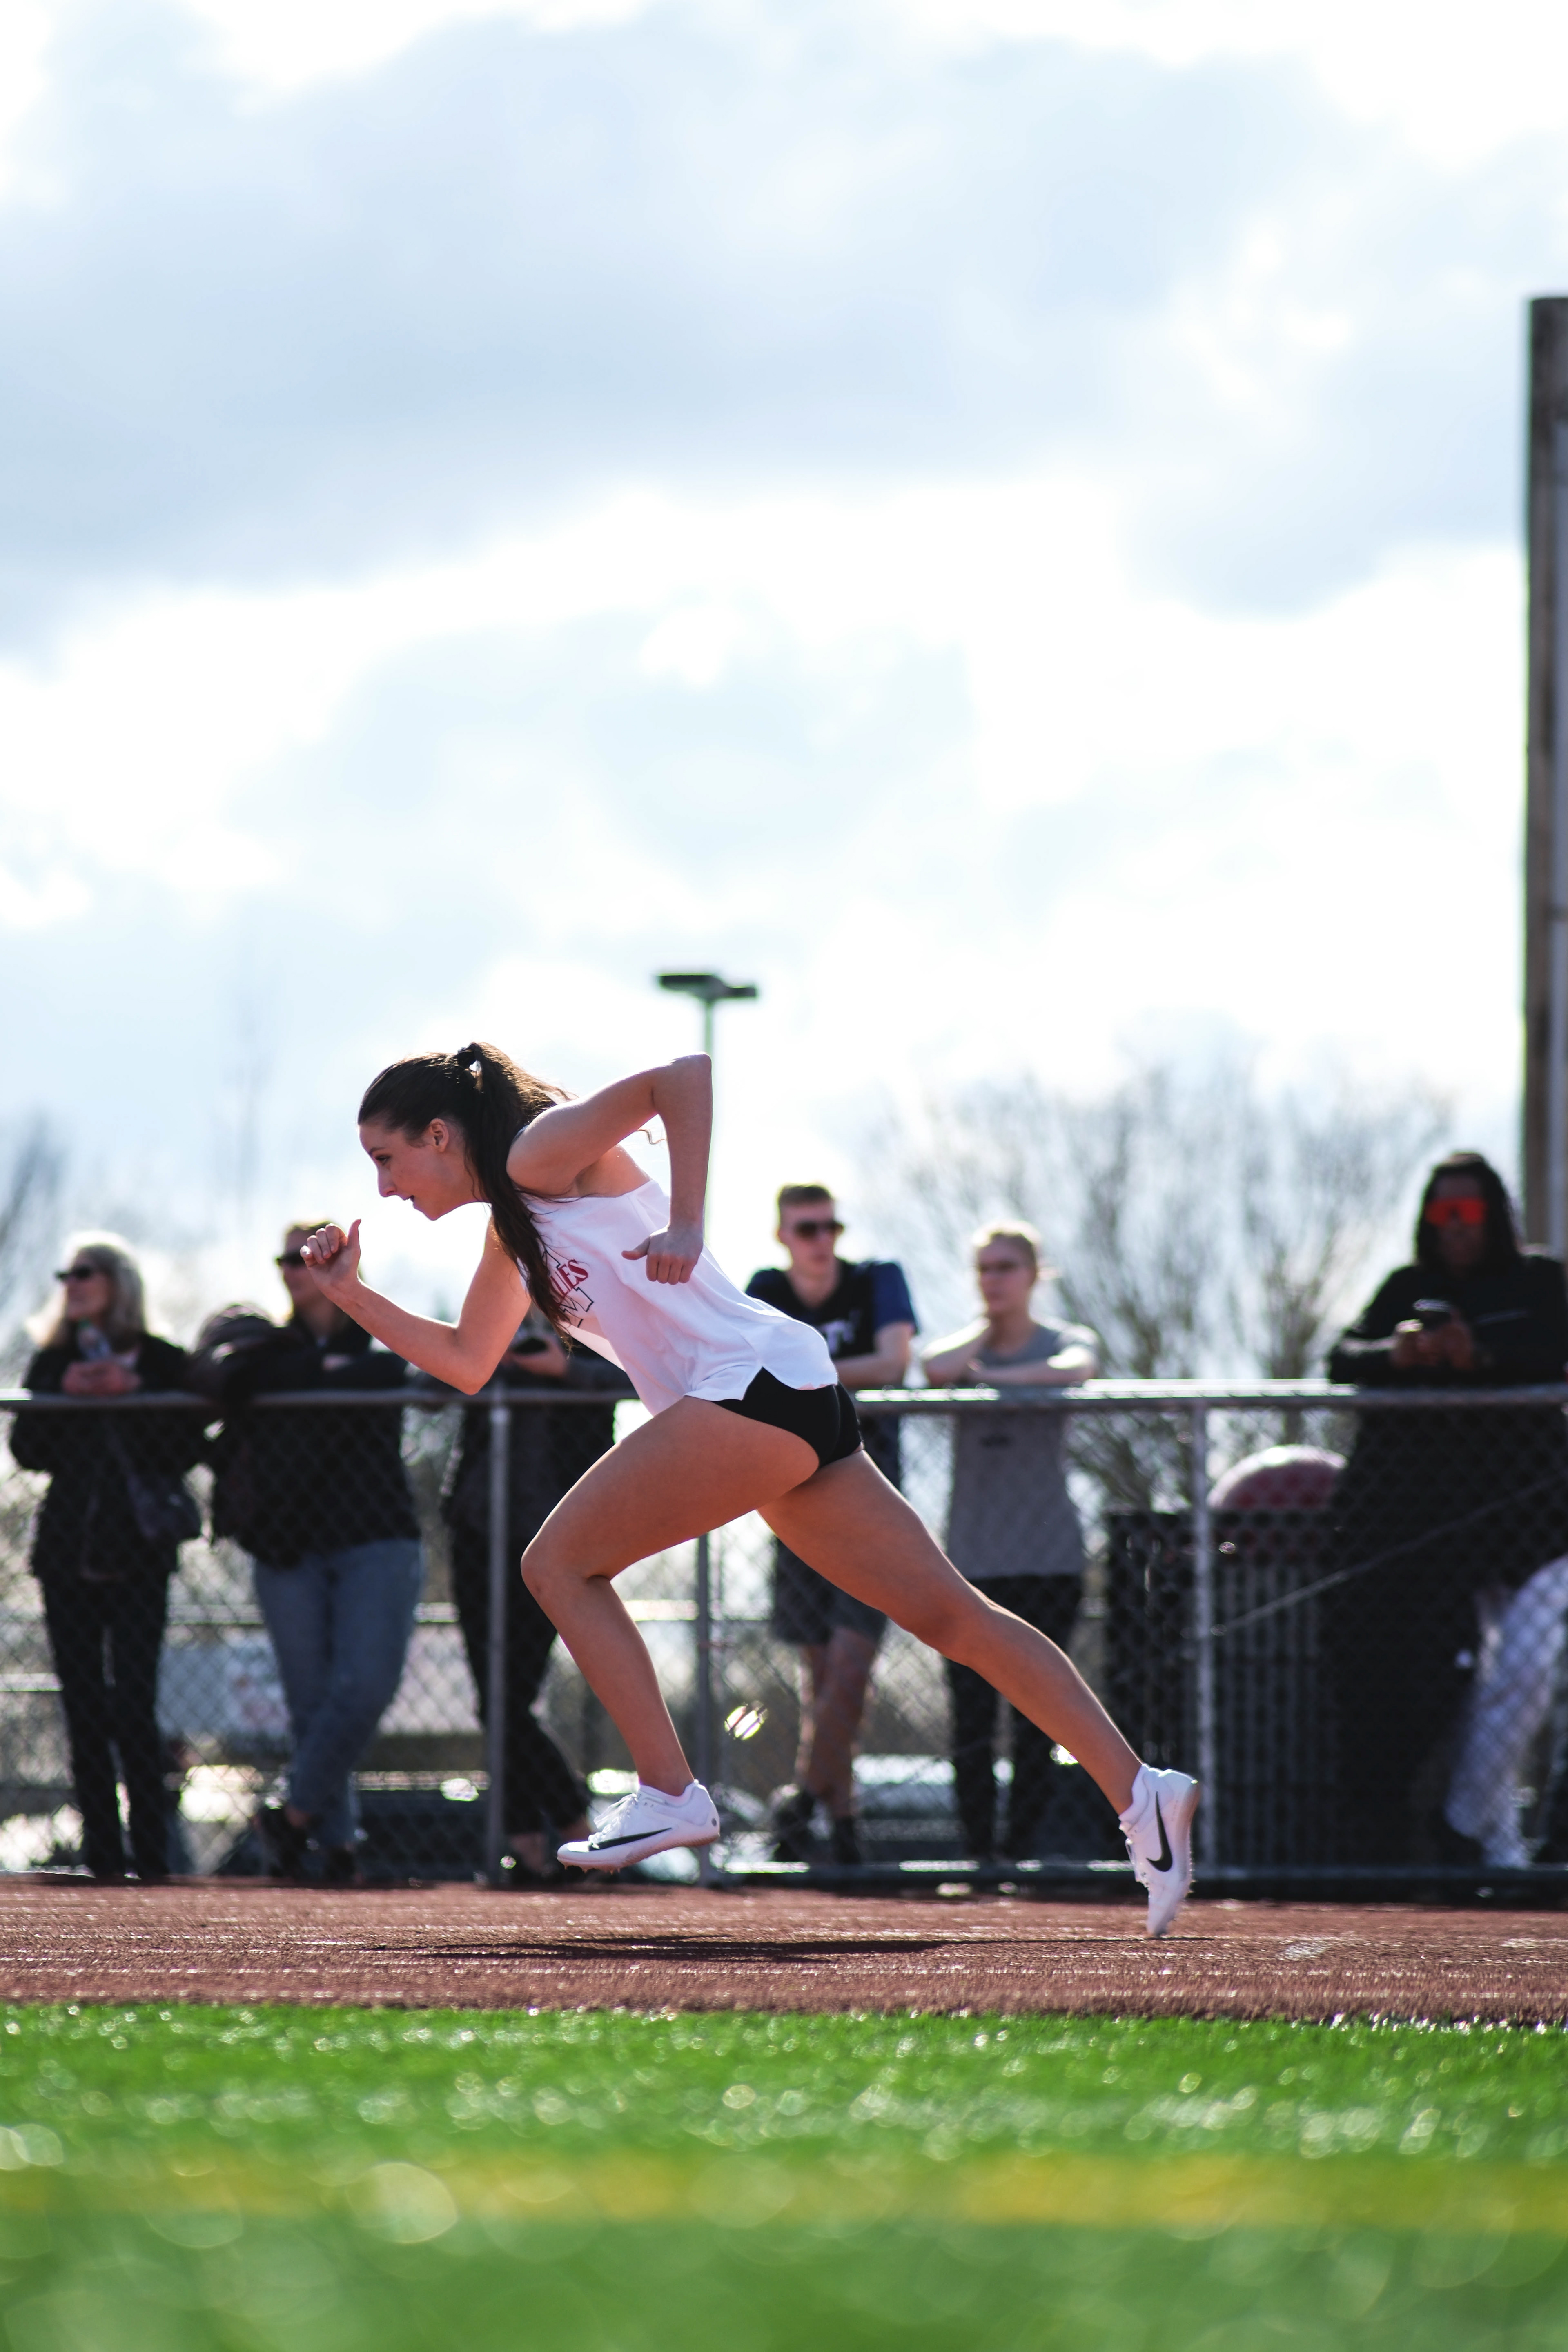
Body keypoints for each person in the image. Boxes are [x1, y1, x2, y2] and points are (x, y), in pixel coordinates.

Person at [297, 1042, 1199, 1936]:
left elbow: (682, 1076)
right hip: (782, 1393)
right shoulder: (514, 1226)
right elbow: (467, 1361)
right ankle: (1142, 1791)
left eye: (387, 1157)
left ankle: (669, 1792)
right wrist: (351, 1293)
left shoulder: (538, 1154)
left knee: (558, 1565)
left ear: (441, 1134)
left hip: (749, 1389)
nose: (384, 1186)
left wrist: (687, 1224)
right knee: (954, 1619)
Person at [1325, 1152, 1568, 1867]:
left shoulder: (1539, 1280)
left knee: (1528, 1672)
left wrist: (1480, 1355)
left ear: (1494, 1215)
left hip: (1536, 1518)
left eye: (1468, 1212)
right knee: (1459, 1684)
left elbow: (1550, 1349)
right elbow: (1342, 1357)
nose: (1455, 1227)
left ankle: (1468, 1823)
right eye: (1441, 1212)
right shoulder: (1408, 1285)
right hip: (1440, 1525)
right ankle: (1490, 1843)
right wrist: (1398, 1353)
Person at [205, 1223, 426, 1884]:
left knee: (364, 1687)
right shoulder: (268, 1349)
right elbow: (231, 1379)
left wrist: (311, 1379)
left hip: (376, 1536)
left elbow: (394, 1372)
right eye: (288, 1259)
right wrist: (318, 1372)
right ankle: (335, 1849)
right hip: (286, 1544)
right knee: (308, 1704)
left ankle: (290, 1815)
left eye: (312, 1257)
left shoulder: (379, 1341)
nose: (297, 1269)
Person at [9, 1235, 202, 1882]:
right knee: (83, 1705)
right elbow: (28, 1450)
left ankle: (151, 1856)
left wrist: (134, 1390)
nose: (72, 1284)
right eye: (65, 1274)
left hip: (141, 1551)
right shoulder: (52, 1361)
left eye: (85, 1273)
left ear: (119, 1282)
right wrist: (64, 1393)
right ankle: (102, 1857)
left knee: (135, 1704)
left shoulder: (162, 1359)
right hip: (66, 1554)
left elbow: (186, 1446)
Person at [744, 1185, 917, 1864]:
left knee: (850, 1667)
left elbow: (893, 1362)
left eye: (830, 1227)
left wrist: (803, 1375)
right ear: (784, 1235)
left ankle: (798, 1804)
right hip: (792, 1494)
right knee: (819, 1675)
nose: (821, 1240)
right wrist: (833, 1378)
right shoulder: (766, 1288)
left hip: (871, 1498)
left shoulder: (877, 1279)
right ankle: (842, 1820)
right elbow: (744, 1367)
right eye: (807, 1228)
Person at [922, 1222, 1099, 1862]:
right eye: (985, 1269)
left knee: (1037, 1715)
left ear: (1034, 1274)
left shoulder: (1062, 1340)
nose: (994, 1280)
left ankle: (1023, 1855)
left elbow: (1078, 1367)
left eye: (1006, 1268)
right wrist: (986, 1335)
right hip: (971, 1562)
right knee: (972, 1716)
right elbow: (936, 1369)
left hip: (1049, 1560)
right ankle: (979, 1856)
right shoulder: (966, 1348)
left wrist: (999, 1381)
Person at [441, 1311, 631, 1880]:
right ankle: (532, 1846)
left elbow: (633, 1377)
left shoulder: (595, 1323)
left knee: (510, 1698)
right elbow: (427, 1382)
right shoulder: (490, 1315)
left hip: (558, 1540)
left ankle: (569, 1831)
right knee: (495, 1701)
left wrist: (562, 1370)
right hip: (478, 1531)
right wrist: (485, 1354)